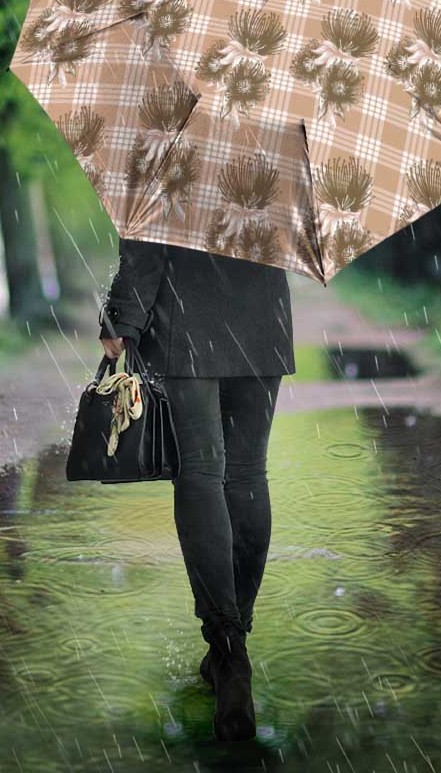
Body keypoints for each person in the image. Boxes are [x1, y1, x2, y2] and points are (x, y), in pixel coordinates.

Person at [98, 236, 295, 741]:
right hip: (261, 312)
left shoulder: (175, 150)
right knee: (248, 472)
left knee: (201, 471)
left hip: (188, 313)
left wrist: (123, 315)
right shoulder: (287, 154)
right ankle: (234, 645)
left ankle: (227, 646)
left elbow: (149, 228)